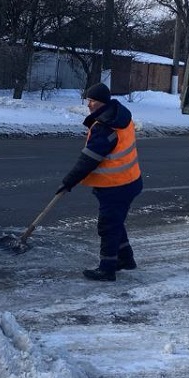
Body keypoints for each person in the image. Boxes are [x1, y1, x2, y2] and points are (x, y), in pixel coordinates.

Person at [58, 82, 143, 282]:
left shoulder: (105, 127)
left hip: (116, 186)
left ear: (102, 102)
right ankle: (126, 259)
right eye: (88, 100)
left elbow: (88, 160)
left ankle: (107, 269)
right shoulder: (119, 115)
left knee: (108, 226)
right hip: (129, 181)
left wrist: (68, 182)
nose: (89, 105)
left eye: (93, 101)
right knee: (115, 222)